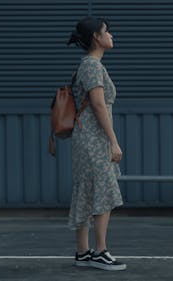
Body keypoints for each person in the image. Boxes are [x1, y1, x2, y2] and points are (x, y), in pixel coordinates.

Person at [67, 16, 126, 271]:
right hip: (93, 138)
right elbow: (99, 105)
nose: (111, 35)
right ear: (96, 38)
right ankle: (100, 251)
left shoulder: (88, 64)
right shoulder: (92, 65)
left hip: (86, 137)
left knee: (87, 190)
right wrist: (114, 142)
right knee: (102, 189)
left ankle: (83, 252)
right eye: (107, 32)